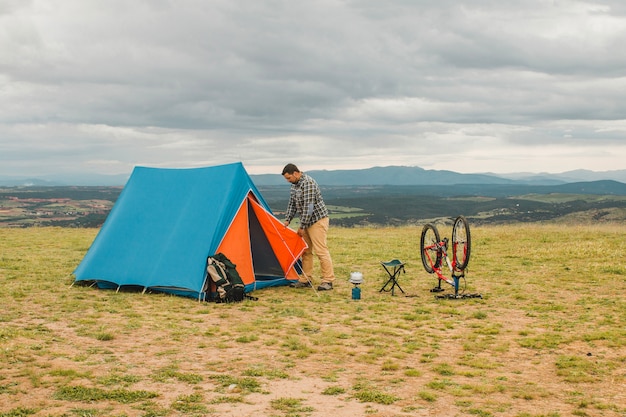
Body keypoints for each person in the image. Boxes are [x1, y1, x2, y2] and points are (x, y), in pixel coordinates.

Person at [282, 163, 335, 291]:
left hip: (317, 220)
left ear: (296, 173)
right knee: (305, 251)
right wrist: (287, 220)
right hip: (306, 221)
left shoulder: (308, 183)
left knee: (320, 250)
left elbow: (309, 207)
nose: (288, 181)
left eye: (289, 178)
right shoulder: (294, 186)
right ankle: (306, 278)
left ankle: (328, 280)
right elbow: (292, 204)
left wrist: (302, 226)